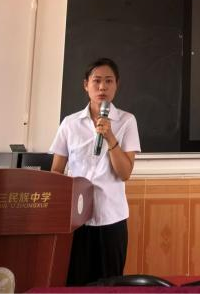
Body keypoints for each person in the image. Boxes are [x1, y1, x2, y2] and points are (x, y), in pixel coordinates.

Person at [49, 57, 141, 285]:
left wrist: (110, 137)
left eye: (108, 81)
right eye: (96, 81)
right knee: (76, 283)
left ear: (116, 85)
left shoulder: (127, 121)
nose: (102, 87)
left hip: (111, 218)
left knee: (110, 285)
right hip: (76, 220)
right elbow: (56, 171)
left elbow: (125, 173)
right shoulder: (70, 123)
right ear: (86, 85)